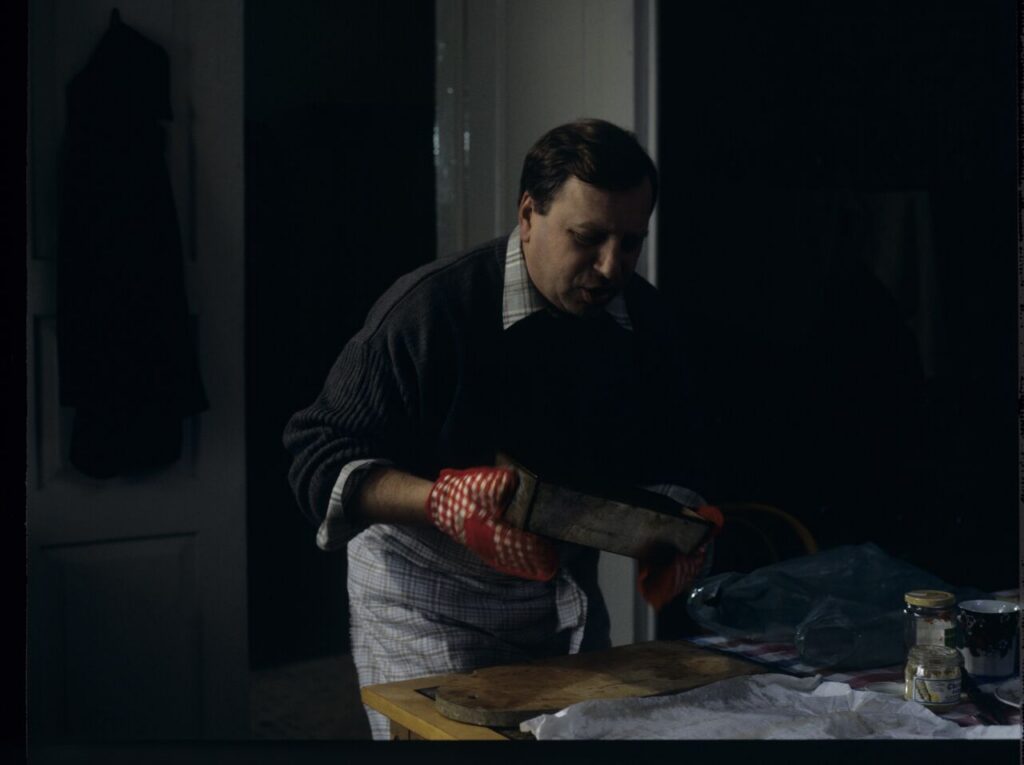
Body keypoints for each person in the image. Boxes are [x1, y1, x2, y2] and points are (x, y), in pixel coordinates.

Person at [283, 118, 721, 740]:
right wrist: (438, 501)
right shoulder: (430, 310)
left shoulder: (646, 322)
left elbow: (674, 454)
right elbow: (315, 454)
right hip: (425, 599)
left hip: (562, 591)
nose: (609, 266)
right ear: (527, 215)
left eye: (630, 242)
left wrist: (675, 527)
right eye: (587, 237)